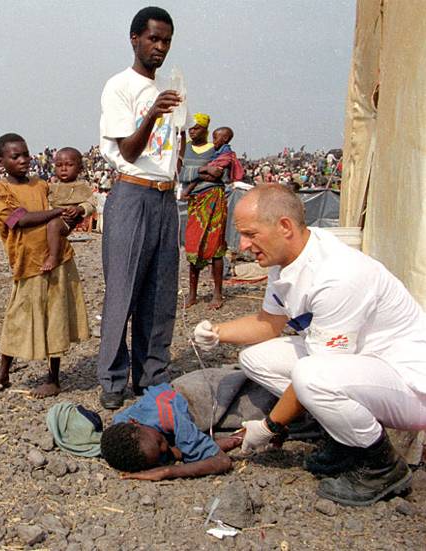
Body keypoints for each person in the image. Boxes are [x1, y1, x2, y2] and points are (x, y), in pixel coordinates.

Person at [193, 184, 426, 506]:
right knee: (256, 360)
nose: (243, 245)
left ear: (284, 226)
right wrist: (217, 331)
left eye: (250, 234)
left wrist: (269, 426)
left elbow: (316, 368)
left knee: (311, 377)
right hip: (360, 363)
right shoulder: (286, 260)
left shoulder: (337, 275)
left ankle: (381, 466)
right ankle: (343, 437)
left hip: (408, 385)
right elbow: (269, 324)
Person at [97, 6, 185, 409]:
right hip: (132, 194)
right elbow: (130, 151)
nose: (160, 47)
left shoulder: (170, 92)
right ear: (135, 39)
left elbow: (169, 152)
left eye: (166, 40)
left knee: (160, 292)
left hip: (164, 197)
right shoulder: (120, 86)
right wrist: (152, 112)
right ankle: (113, 381)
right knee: (124, 291)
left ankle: (151, 375)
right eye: (153, 39)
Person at [0, 133, 89, 398]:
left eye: (26, 154)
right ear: (1, 160)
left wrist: (76, 212)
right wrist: (57, 213)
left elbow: (70, 214)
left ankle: (54, 377)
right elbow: (20, 219)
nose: (23, 160)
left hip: (58, 258)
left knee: (55, 317)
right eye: (15, 156)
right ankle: (4, 371)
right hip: (27, 263)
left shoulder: (42, 185)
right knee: (17, 318)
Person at [101, 383, 240, 480]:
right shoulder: (121, 424)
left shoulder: (170, 417)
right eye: (160, 455)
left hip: (208, 391)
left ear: (135, 423)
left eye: (159, 442)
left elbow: (222, 461)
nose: (165, 448)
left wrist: (168, 471)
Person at [179, 113, 225, 309]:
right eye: (191, 128)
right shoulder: (186, 148)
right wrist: (201, 171)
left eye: (197, 128)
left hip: (214, 199)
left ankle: (217, 293)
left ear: (206, 130)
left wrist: (198, 174)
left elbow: (220, 174)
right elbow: (180, 173)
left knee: (216, 247)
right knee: (194, 245)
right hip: (195, 201)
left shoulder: (215, 149)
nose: (192, 131)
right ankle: (192, 293)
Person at [42, 147, 96, 272]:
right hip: (53, 217)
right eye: (59, 165)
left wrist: (80, 209)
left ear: (80, 168)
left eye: (69, 165)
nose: (64, 169)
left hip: (66, 221)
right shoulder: (52, 187)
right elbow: (47, 203)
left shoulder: (82, 186)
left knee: (54, 225)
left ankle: (53, 257)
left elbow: (91, 204)